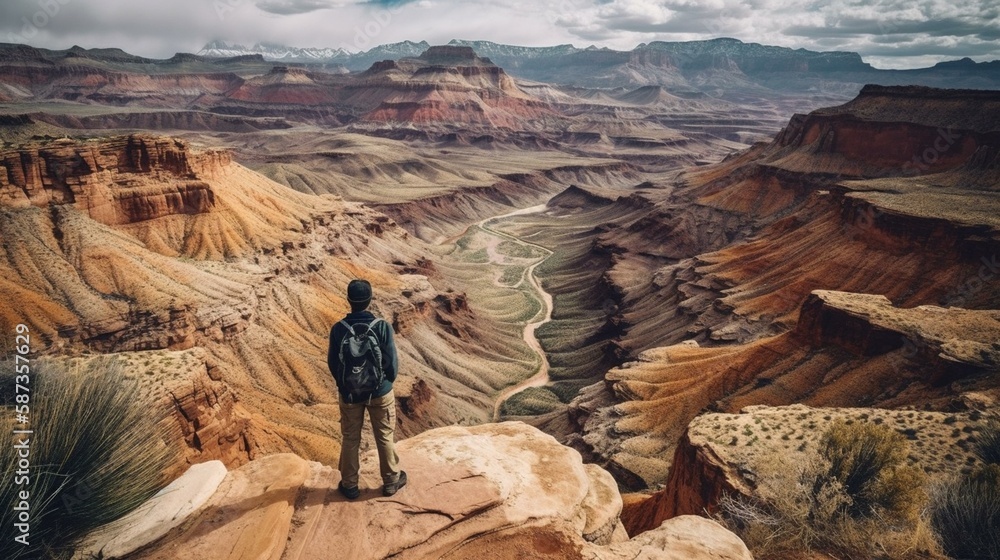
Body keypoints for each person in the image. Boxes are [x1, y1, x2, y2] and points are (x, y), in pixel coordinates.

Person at [327, 279, 406, 499]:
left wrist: (345, 385)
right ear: (369, 300)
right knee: (384, 435)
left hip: (350, 395)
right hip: (380, 392)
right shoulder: (381, 326)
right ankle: (391, 480)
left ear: (349, 300)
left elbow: (333, 363)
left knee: (351, 437)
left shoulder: (338, 329)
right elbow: (391, 363)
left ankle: (350, 485)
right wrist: (385, 383)